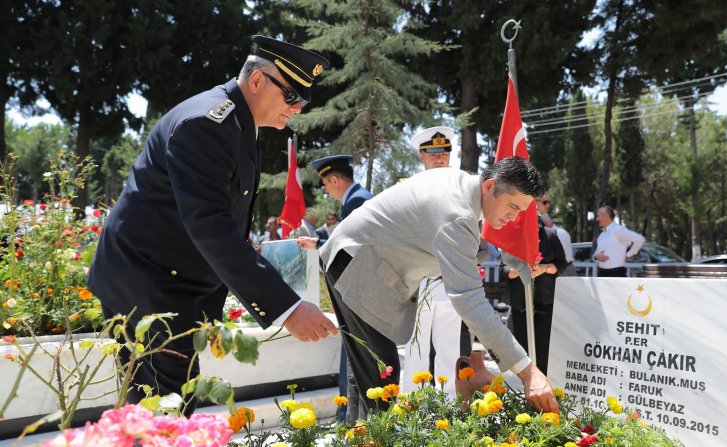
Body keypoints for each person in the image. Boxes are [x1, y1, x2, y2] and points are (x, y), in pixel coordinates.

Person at [86, 35, 338, 414]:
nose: (297, 108)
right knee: (167, 409)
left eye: (304, 100)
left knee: (157, 410)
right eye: (291, 96)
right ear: (257, 81)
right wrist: (287, 308)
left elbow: (218, 220)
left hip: (162, 282)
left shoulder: (236, 123)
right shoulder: (208, 123)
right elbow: (210, 225)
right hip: (147, 285)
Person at [320, 156, 560, 421]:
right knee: (381, 382)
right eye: (512, 206)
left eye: (521, 211)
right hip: (359, 267)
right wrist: (528, 371)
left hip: (354, 259)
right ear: (489, 186)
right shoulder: (458, 215)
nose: (514, 217)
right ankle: (367, 436)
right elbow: (470, 301)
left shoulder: (459, 182)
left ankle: (357, 433)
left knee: (371, 378)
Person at [297, 154, 373, 421]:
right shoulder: (356, 199)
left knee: (356, 358)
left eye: (326, 184)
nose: (326, 190)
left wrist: (318, 247)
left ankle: (352, 419)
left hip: (360, 291)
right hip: (358, 289)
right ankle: (351, 417)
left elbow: (355, 246)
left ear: (335, 180)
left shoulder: (358, 201)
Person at [401, 126, 474, 398]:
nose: (439, 158)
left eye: (444, 152)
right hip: (418, 279)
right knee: (416, 348)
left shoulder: (461, 188)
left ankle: (448, 405)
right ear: (421, 156)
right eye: (432, 154)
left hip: (449, 277)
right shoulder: (407, 189)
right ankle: (412, 405)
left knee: (449, 348)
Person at [503, 192, 567, 373]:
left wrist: (544, 268)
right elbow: (503, 268)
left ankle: (542, 380)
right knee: (521, 346)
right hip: (520, 301)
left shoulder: (550, 234)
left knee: (542, 346)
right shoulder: (512, 235)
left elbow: (561, 264)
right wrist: (515, 271)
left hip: (543, 300)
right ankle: (524, 383)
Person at [592, 205, 645, 277]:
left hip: (616, 274)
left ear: (606, 216)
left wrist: (628, 255)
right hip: (601, 274)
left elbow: (640, 239)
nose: (597, 219)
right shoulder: (602, 235)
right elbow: (596, 254)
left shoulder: (618, 230)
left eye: (598, 216)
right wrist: (596, 257)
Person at [539, 196, 575, 277]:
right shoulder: (561, 232)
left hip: (562, 270)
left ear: (546, 223)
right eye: (544, 202)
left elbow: (558, 257)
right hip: (567, 267)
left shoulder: (554, 234)